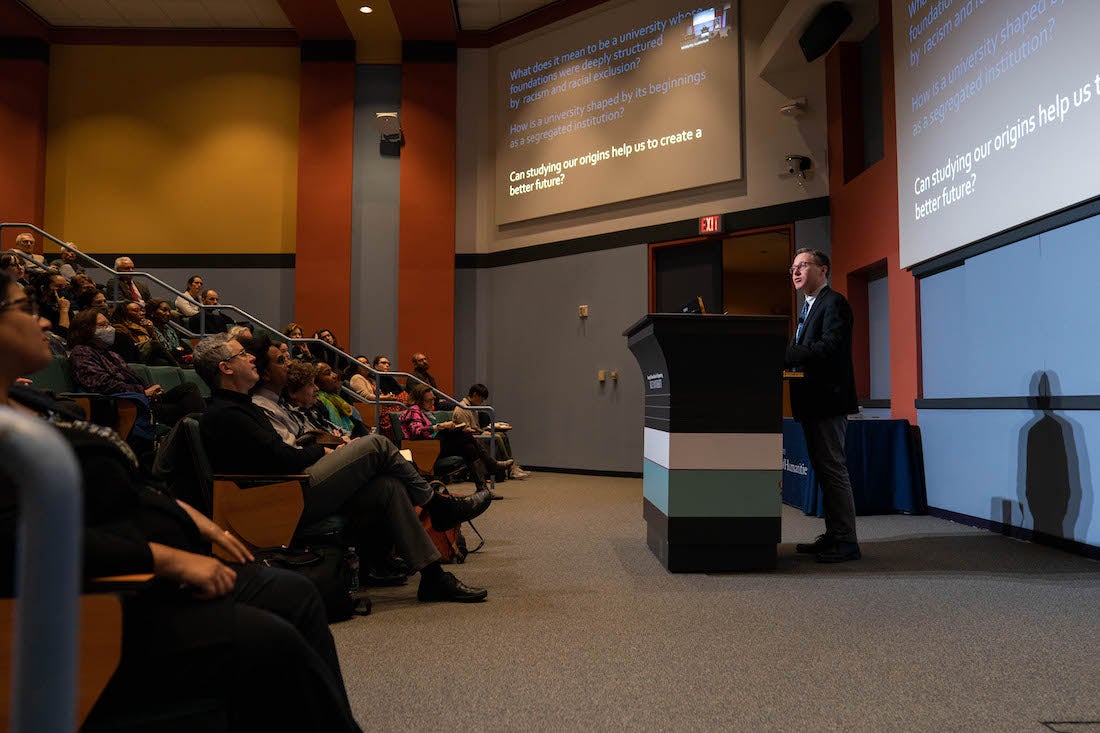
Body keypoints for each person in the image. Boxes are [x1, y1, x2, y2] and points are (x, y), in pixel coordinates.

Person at [0, 271, 363, 732]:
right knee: (270, 640)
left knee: (296, 594)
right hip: (99, 592)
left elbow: (129, 486)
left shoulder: (38, 405)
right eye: (25, 309)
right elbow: (16, 537)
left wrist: (191, 519)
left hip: (152, 558)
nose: (46, 323)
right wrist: (164, 558)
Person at [195, 333, 492, 602]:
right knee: (377, 445)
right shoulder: (227, 413)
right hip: (280, 497)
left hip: (288, 487)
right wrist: (321, 450)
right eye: (241, 355)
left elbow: (278, 453)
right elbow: (281, 457)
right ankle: (437, 506)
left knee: (386, 487)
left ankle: (433, 578)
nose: (250, 358)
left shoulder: (241, 405)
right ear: (226, 368)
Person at [785, 248, 861, 563]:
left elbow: (831, 347)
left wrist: (789, 354)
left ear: (823, 270)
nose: (796, 272)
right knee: (823, 470)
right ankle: (833, 535)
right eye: (792, 268)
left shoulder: (834, 303)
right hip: (811, 402)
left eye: (803, 265)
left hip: (828, 401)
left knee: (832, 468)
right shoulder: (807, 308)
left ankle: (846, 542)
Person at [401, 383, 513, 493]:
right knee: (465, 435)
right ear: (419, 400)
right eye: (429, 400)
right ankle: (491, 465)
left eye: (433, 399)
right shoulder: (413, 411)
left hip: (433, 445)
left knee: (468, 448)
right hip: (424, 447)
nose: (432, 402)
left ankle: (483, 490)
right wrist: (440, 426)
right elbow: (416, 431)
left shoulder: (425, 411)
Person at [453, 383, 530, 480]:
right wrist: (483, 432)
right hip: (471, 438)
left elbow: (475, 427)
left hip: (477, 434)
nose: (482, 402)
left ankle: (512, 466)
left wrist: (487, 429)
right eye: (481, 399)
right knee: (496, 437)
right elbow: (466, 431)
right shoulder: (462, 409)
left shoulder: (473, 407)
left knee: (502, 434)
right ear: (475, 394)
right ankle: (511, 467)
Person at [147, 297, 193, 367]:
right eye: (164, 310)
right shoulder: (148, 330)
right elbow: (161, 352)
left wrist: (176, 351)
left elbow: (188, 350)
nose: (168, 314)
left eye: (169, 311)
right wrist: (178, 350)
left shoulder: (170, 329)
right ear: (152, 312)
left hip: (176, 361)